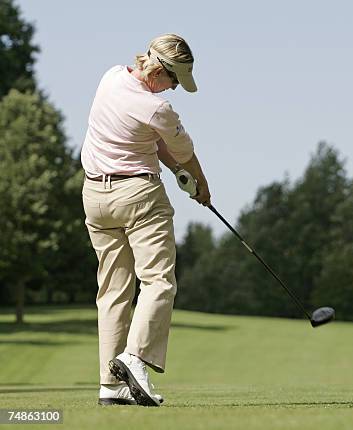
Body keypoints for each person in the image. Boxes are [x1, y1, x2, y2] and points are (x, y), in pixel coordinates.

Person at [80, 33, 211, 406]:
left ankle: (110, 385)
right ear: (161, 71)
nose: (173, 88)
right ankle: (135, 359)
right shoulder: (159, 108)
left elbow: (150, 143)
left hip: (95, 197)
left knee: (113, 292)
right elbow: (182, 152)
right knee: (158, 282)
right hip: (138, 197)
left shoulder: (110, 78)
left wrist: (176, 172)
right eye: (173, 80)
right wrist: (201, 185)